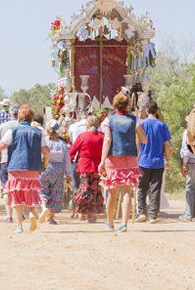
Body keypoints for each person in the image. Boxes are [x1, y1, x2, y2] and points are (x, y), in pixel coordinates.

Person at [0, 105, 50, 234]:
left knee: (16, 196)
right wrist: (44, 164)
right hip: (33, 168)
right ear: (31, 118)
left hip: (16, 166)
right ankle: (32, 213)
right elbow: (46, 151)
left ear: (19, 117)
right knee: (30, 192)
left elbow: (3, 145)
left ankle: (19, 226)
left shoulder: (13, 130)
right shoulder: (38, 132)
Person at [98, 93, 141, 233]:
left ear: (114, 105)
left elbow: (107, 140)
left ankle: (110, 223)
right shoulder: (135, 120)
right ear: (128, 104)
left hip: (113, 159)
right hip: (130, 159)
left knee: (112, 192)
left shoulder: (108, 120)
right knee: (127, 192)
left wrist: (102, 160)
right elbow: (144, 139)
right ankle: (124, 224)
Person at [135, 101, 171, 223]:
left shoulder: (141, 124)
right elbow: (167, 145)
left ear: (146, 111)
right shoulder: (162, 126)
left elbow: (137, 143)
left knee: (142, 188)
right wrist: (168, 158)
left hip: (143, 161)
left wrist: (136, 158)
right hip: (158, 162)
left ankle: (141, 212)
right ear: (157, 111)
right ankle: (153, 215)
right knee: (155, 189)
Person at [69, 115, 105, 223]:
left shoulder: (82, 136)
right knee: (94, 190)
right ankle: (91, 215)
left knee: (85, 189)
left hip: (85, 165)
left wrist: (70, 161)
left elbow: (72, 150)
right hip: (97, 166)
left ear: (87, 125)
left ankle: (77, 203)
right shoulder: (102, 136)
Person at [39, 120, 73, 225]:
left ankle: (44, 207)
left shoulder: (44, 141)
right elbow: (67, 160)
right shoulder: (62, 144)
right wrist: (69, 174)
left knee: (43, 190)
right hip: (58, 170)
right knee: (56, 192)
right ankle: (51, 218)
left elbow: (41, 155)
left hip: (45, 168)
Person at [0, 106, 20, 223]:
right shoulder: (21, 126)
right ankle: (19, 213)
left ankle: (9, 215)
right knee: (18, 188)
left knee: (6, 189)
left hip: (4, 160)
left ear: (9, 115)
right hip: (19, 161)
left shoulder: (3, 126)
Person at [178, 135, 195, 222]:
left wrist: (184, 164)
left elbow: (186, 150)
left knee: (190, 189)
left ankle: (188, 214)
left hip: (192, 162)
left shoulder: (188, 131)